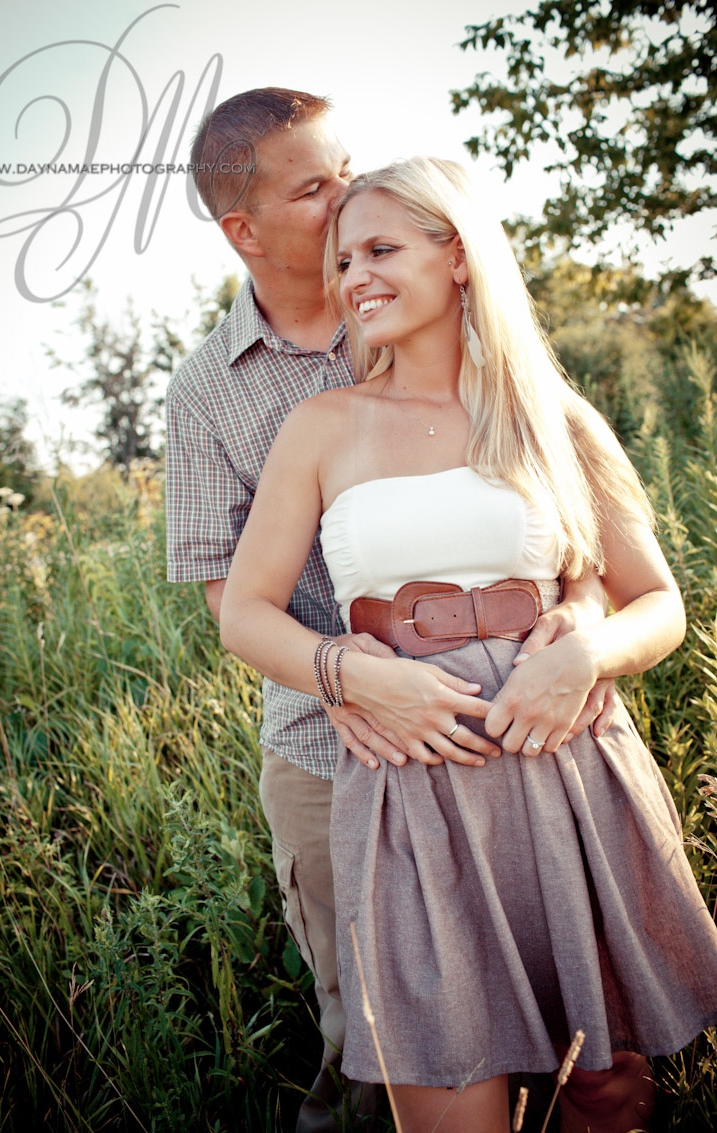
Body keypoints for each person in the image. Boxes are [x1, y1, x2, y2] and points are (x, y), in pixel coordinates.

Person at [218, 155, 717, 1133]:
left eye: (380, 249)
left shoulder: (551, 418)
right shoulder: (321, 426)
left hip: (564, 768)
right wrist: (345, 674)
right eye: (342, 259)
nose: (354, 277)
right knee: (447, 1081)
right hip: (413, 780)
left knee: (602, 1092)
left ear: (456, 256)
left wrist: (587, 653)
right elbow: (246, 611)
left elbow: (657, 602)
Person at [166, 88, 613, 1131]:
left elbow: (571, 535)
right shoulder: (210, 392)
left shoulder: (448, 319)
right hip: (332, 749)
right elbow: (231, 594)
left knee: (573, 1036)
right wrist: (348, 677)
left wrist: (582, 625)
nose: (346, 198)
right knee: (379, 1032)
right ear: (242, 230)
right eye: (313, 190)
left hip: (519, 730)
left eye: (346, 170)